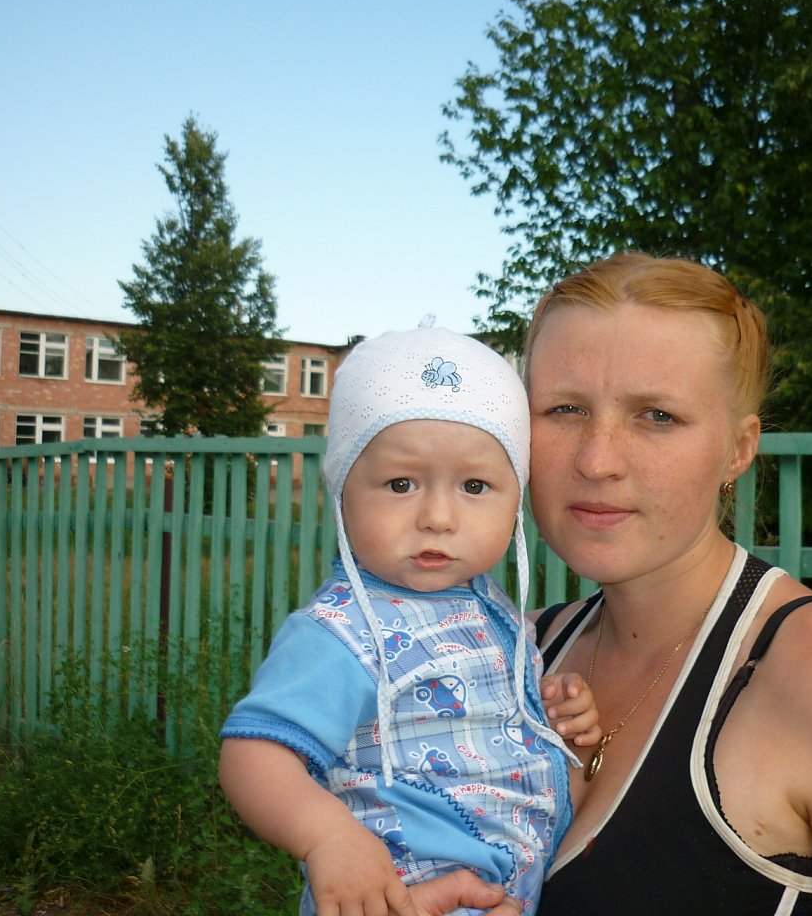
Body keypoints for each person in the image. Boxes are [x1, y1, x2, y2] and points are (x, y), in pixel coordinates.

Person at [417, 251, 812, 915]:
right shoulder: (508, 653)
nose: (597, 460)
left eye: (657, 416)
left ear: (738, 449)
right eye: (565, 408)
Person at [219, 320, 600, 916]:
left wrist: (555, 719)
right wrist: (328, 837)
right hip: (399, 897)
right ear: (342, 491)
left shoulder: (484, 606)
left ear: (516, 499)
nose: (438, 517)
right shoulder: (343, 629)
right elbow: (255, 752)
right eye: (401, 484)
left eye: (475, 485)